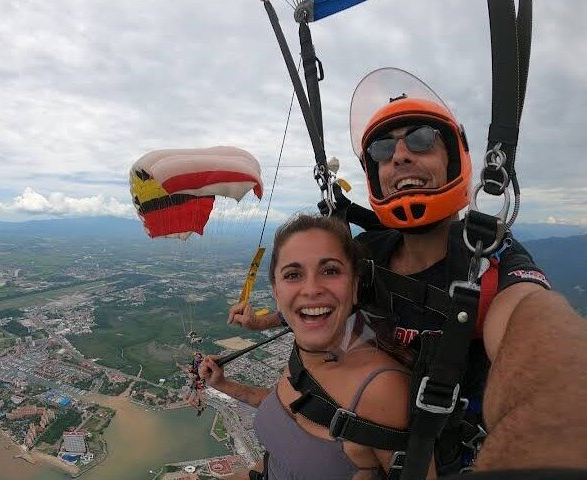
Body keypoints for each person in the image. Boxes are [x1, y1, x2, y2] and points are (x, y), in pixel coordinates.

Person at [227, 68, 557, 474]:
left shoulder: (489, 262)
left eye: (422, 140)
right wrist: (264, 323)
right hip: (364, 439)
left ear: (453, 158)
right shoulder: (368, 253)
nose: (399, 155)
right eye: (383, 149)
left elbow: (538, 329)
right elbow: (326, 299)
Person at [201, 214, 428, 479]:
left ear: (354, 286)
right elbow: (288, 408)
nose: (311, 289)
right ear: (277, 292)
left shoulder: (382, 389)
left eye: (330, 271)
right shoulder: (303, 354)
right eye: (293, 274)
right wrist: (224, 386)